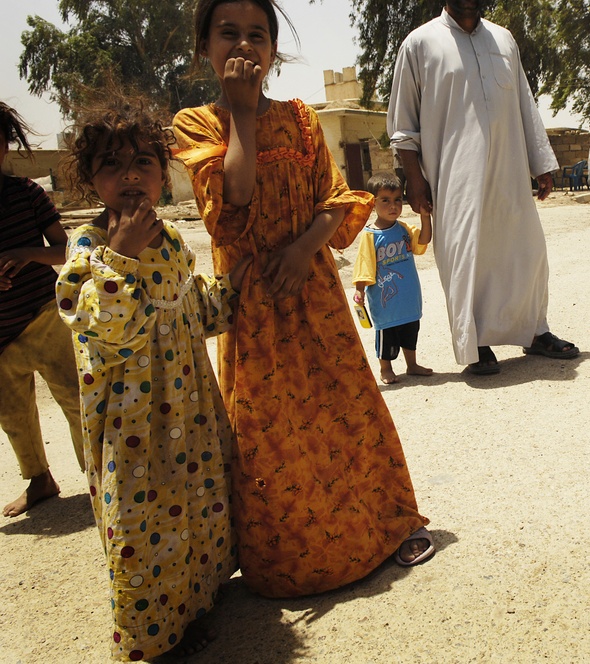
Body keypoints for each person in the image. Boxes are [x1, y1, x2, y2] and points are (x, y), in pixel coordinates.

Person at [173, 0, 433, 599]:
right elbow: (229, 205)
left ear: (273, 48)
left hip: (313, 293)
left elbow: (338, 197)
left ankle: (379, 531)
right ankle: (293, 559)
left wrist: (302, 249)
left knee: (347, 412)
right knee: (272, 436)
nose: (244, 46)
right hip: (255, 311)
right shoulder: (198, 123)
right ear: (204, 48)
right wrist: (240, 111)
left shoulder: (301, 119)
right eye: (228, 34)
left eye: (257, 35)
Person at [55, 96, 248, 660]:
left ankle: (192, 610)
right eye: (111, 165)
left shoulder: (171, 241)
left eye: (143, 161)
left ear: (165, 175)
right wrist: (120, 256)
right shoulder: (88, 249)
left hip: (186, 414)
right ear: (92, 181)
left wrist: (240, 286)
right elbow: (104, 329)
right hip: (132, 428)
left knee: (195, 507)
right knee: (142, 528)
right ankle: (150, 637)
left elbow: (193, 310)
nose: (130, 175)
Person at [388, 0, 579, 375]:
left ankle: (535, 331)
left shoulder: (504, 40)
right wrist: (414, 180)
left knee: (526, 251)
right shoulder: (419, 44)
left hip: (509, 171)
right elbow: (403, 125)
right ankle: (476, 341)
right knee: (467, 255)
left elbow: (524, 103)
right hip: (454, 176)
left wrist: (540, 164)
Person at [0, 102, 85, 518]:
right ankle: (39, 480)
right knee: (12, 412)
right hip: (1, 336)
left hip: (44, 315)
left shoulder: (25, 194)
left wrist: (25, 253)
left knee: (75, 398)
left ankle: (98, 477)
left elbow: (67, 249)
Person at [352, 172, 433, 384]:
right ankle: (385, 368)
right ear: (373, 203)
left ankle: (412, 364)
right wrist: (359, 290)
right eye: (385, 200)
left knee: (410, 331)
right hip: (385, 301)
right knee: (387, 334)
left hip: (408, 297)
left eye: (397, 199)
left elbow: (423, 240)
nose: (393, 206)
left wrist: (425, 217)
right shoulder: (370, 235)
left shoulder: (404, 229)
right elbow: (364, 266)